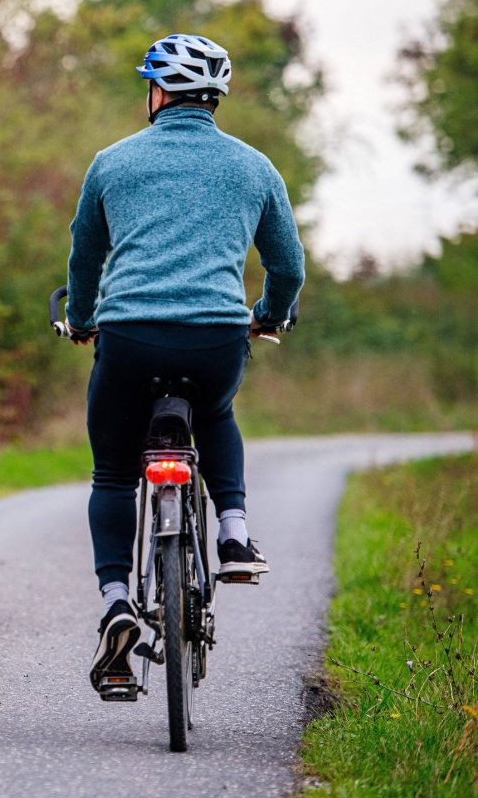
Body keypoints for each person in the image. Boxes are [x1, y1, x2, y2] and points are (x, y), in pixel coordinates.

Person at [63, 34, 304, 695]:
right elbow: (288, 265)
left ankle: (117, 601)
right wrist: (273, 313)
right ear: (215, 97)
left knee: (114, 473)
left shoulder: (112, 163)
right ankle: (233, 535)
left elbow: (86, 260)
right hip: (217, 337)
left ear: (158, 92)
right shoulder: (255, 168)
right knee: (217, 410)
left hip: (130, 338)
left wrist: (81, 318)